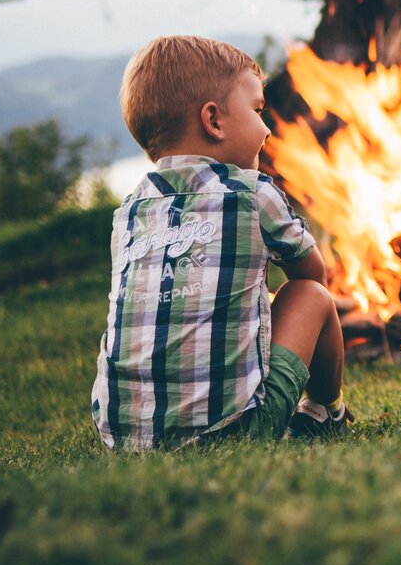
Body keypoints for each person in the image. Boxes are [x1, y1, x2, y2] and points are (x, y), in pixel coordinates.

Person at [90, 35, 351, 450]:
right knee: (311, 296)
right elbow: (312, 273)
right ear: (214, 120)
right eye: (257, 110)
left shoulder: (129, 212)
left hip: (123, 435)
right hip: (236, 429)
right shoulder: (252, 193)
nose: (266, 127)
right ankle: (326, 410)